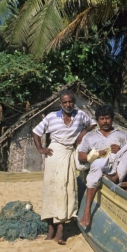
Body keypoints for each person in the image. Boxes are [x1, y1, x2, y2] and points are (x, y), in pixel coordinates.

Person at [32, 89, 96, 244]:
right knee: (51, 190)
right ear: (60, 103)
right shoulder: (52, 117)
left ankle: (60, 231)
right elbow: (36, 132)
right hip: (55, 154)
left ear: (74, 102)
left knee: (66, 190)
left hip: (69, 153)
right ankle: (51, 229)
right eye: (65, 102)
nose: (68, 104)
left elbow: (92, 124)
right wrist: (41, 149)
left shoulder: (80, 115)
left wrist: (82, 133)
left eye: (70, 102)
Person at [78, 104, 127, 228]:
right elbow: (81, 156)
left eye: (107, 118)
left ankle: (116, 177)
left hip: (117, 164)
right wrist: (94, 154)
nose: (105, 121)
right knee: (98, 164)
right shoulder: (90, 136)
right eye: (102, 118)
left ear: (112, 119)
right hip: (99, 162)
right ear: (97, 120)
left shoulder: (121, 134)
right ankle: (87, 210)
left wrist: (121, 148)